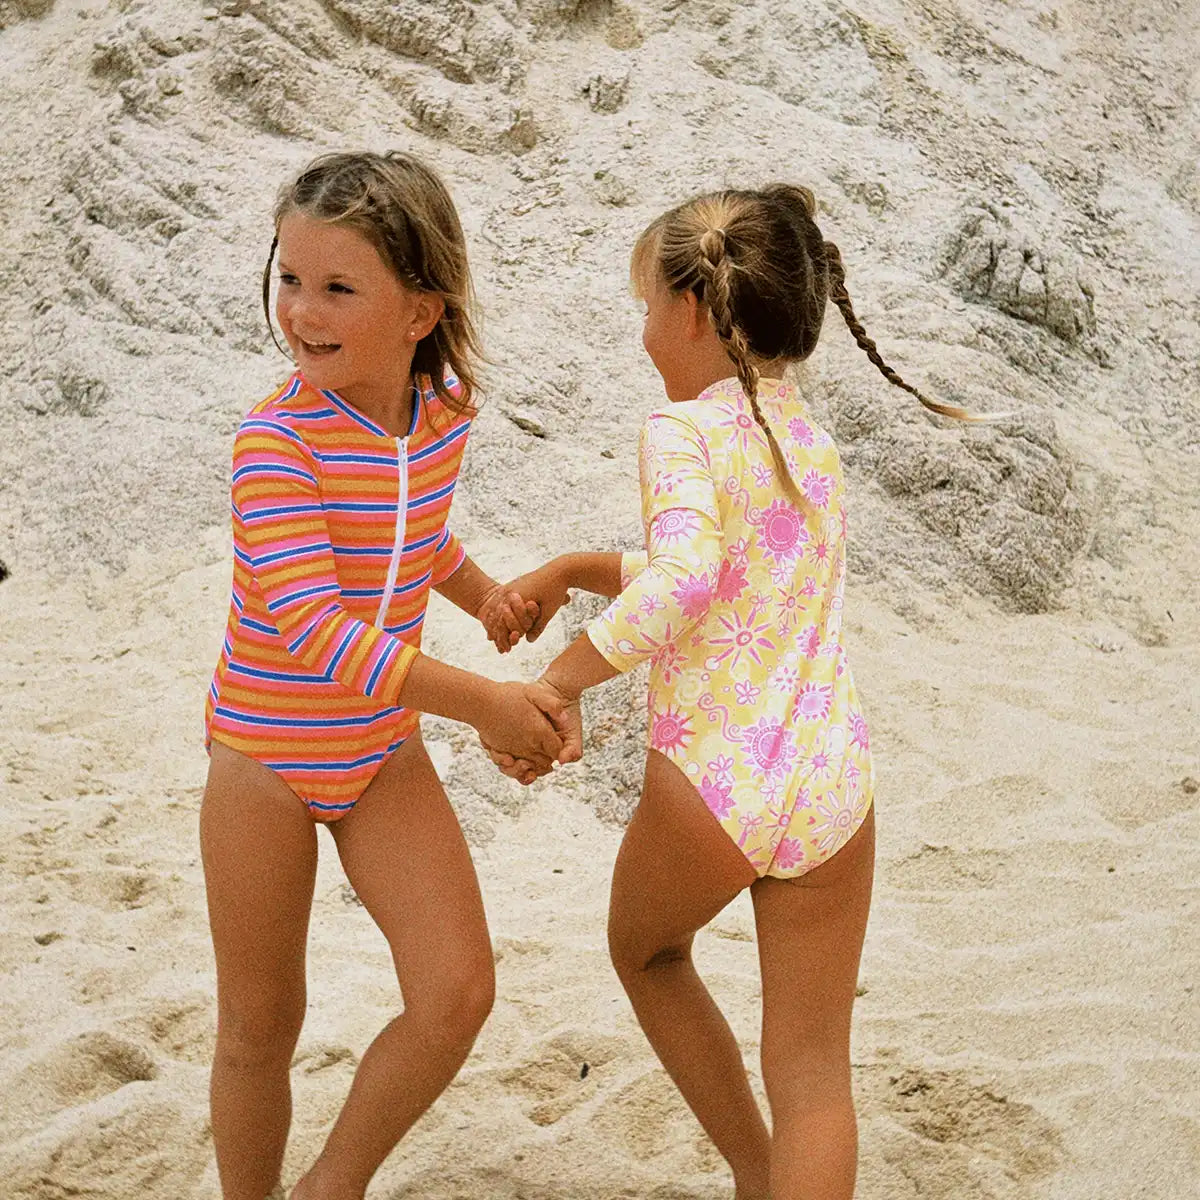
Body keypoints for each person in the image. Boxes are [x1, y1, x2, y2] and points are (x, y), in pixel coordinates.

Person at [483, 185, 982, 1200]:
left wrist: (562, 681)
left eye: (645, 305)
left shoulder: (680, 433)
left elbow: (689, 582)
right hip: (834, 785)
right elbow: (743, 576)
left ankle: (757, 1178)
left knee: (648, 952)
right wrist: (579, 566)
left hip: (717, 782)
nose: (641, 331)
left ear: (696, 313)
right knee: (813, 1076)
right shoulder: (810, 444)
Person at [200, 150, 565, 1200]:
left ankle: (333, 1185)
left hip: (379, 755)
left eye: (337, 288)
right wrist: (486, 702)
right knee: (260, 1028)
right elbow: (317, 627)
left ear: (419, 313)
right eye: (289, 278)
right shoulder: (274, 445)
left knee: (456, 992)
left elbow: (414, 535)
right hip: (265, 760)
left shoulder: (441, 410)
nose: (300, 312)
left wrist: (485, 591)